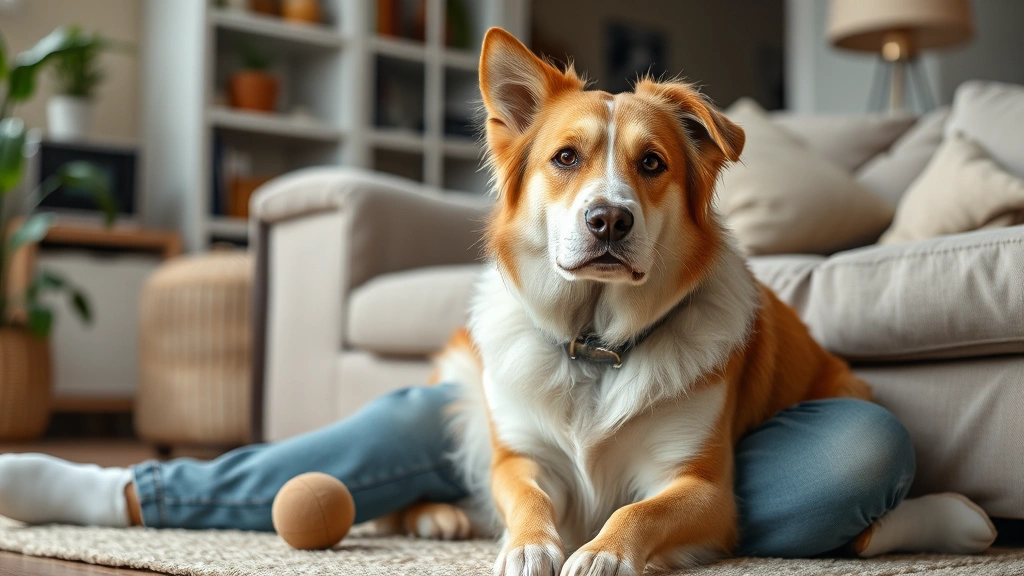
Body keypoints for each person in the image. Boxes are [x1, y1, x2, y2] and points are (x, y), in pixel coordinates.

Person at [0, 383, 997, 558]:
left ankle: (867, 526)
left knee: (866, 447)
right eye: (569, 161)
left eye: (644, 169)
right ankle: (118, 493)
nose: (607, 200)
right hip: (535, 445)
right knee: (431, 417)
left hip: (713, 462)